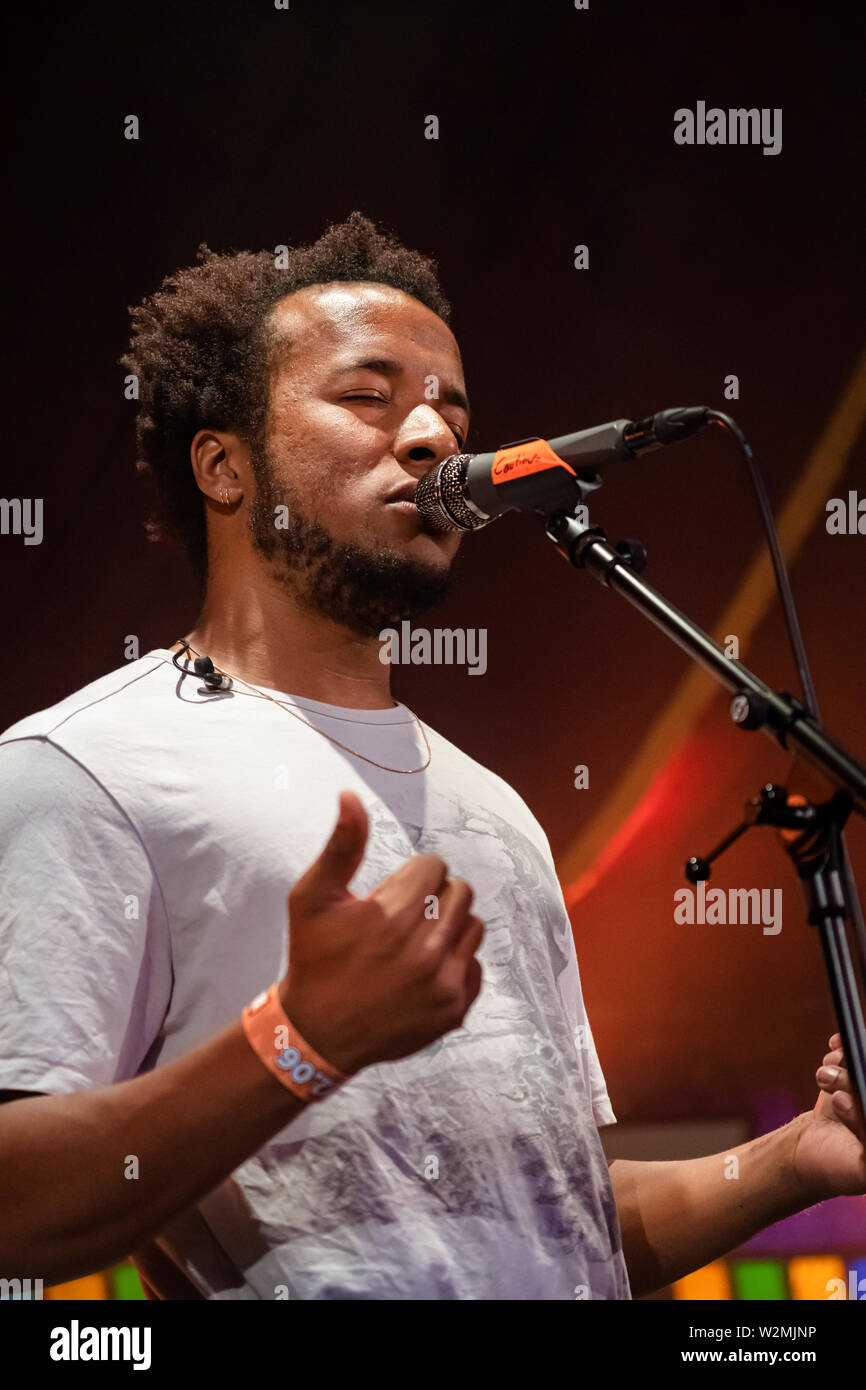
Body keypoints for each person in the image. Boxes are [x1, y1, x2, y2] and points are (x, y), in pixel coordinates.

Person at [0, 214, 862, 1301]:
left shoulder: (493, 809)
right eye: (369, 396)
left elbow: (567, 1229)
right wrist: (296, 1039)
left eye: (450, 407)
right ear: (224, 466)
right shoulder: (84, 772)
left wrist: (796, 1157)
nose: (430, 437)